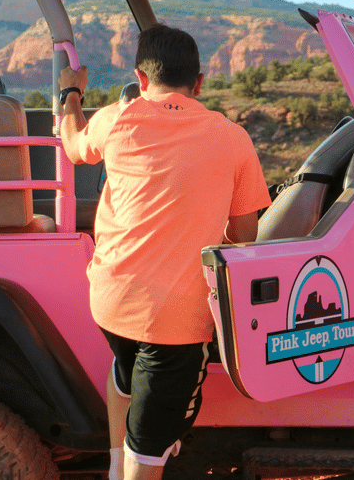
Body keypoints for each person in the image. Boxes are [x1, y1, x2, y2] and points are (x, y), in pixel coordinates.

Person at [58, 24, 271, 480]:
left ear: (140, 77)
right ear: (199, 83)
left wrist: (70, 95)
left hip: (110, 302)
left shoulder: (116, 119)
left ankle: (117, 468)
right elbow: (245, 235)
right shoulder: (232, 138)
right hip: (174, 321)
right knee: (150, 448)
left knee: (125, 371)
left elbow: (74, 147)